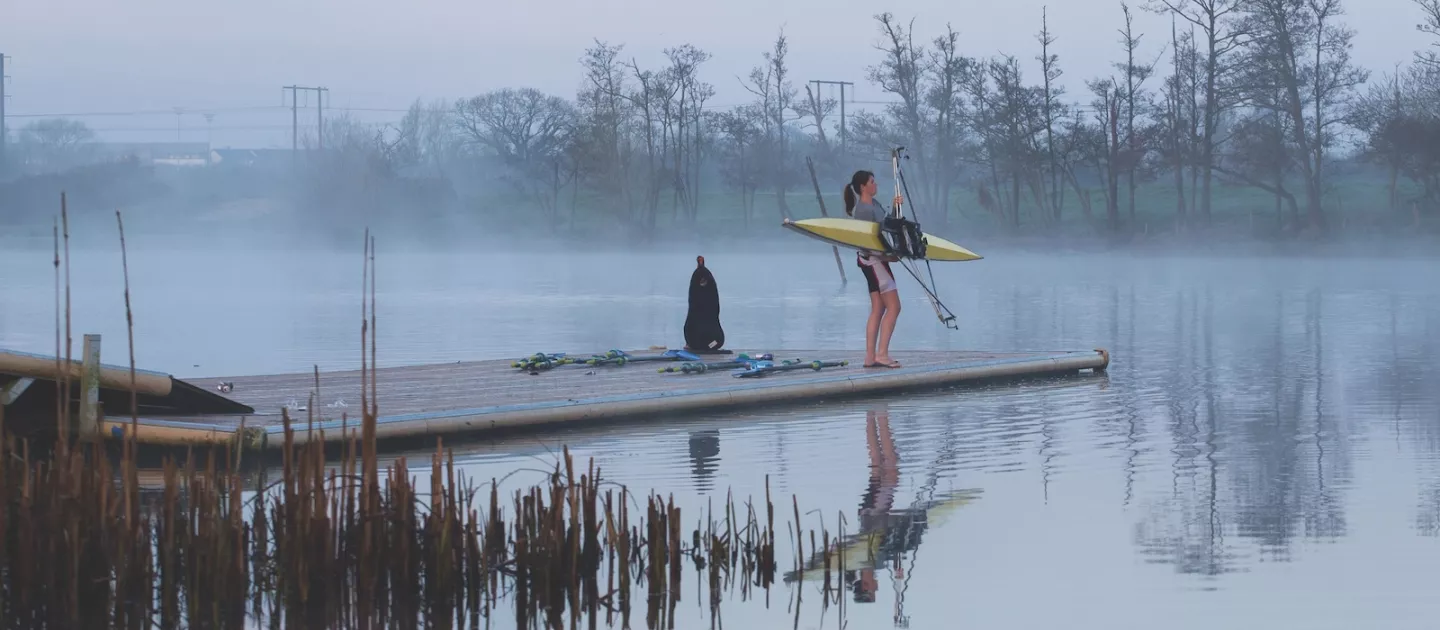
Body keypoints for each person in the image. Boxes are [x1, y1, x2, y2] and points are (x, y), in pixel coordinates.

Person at [844, 170, 903, 368]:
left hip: (873, 260)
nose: (875, 185)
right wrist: (887, 256)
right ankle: (882, 355)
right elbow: (866, 242)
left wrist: (895, 207)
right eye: (872, 182)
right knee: (894, 307)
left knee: (878, 309)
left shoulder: (873, 205)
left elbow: (884, 226)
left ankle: (870, 357)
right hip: (874, 261)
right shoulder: (862, 210)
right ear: (863, 187)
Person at [683, 255, 727, 353]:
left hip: (708, 342)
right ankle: (706, 347)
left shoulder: (701, 281)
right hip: (711, 342)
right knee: (712, 342)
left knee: (711, 343)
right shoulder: (706, 281)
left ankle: (704, 346)